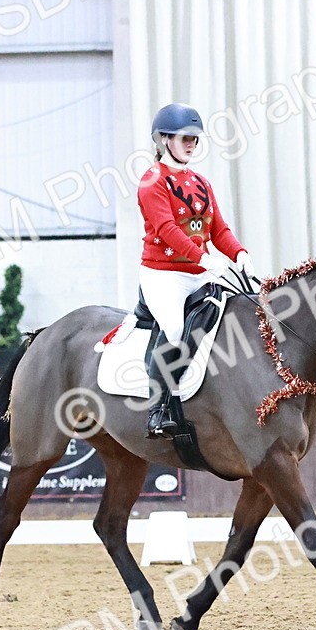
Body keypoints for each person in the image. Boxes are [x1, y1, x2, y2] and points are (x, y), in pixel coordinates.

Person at [138, 102, 254, 438]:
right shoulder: (152, 182)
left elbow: (217, 228)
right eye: (185, 138)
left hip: (198, 272)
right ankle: (157, 409)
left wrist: (238, 252)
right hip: (164, 274)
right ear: (164, 140)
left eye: (194, 139)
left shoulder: (200, 181)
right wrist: (203, 259)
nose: (191, 144)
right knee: (174, 328)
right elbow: (166, 229)